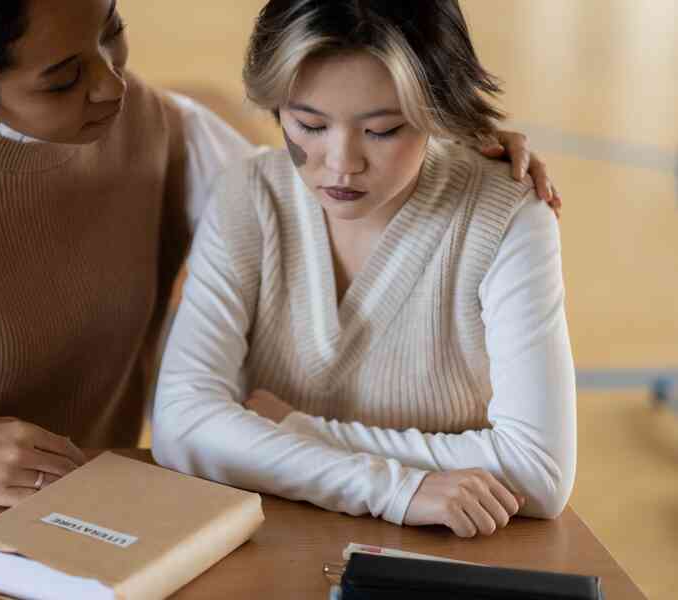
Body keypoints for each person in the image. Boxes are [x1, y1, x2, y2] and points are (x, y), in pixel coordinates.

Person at [0, 0, 556, 597]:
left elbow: (307, 186)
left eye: (110, 34)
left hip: (74, 535)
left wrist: (454, 142)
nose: (110, 82)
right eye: (63, 76)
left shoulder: (164, 131)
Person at [152, 0, 576, 540]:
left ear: (438, 113)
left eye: (382, 130)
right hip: (272, 544)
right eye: (308, 124)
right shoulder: (247, 192)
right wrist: (398, 489)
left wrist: (288, 429)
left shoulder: (509, 214)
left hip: (446, 555)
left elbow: (537, 472)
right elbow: (182, 425)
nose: (341, 162)